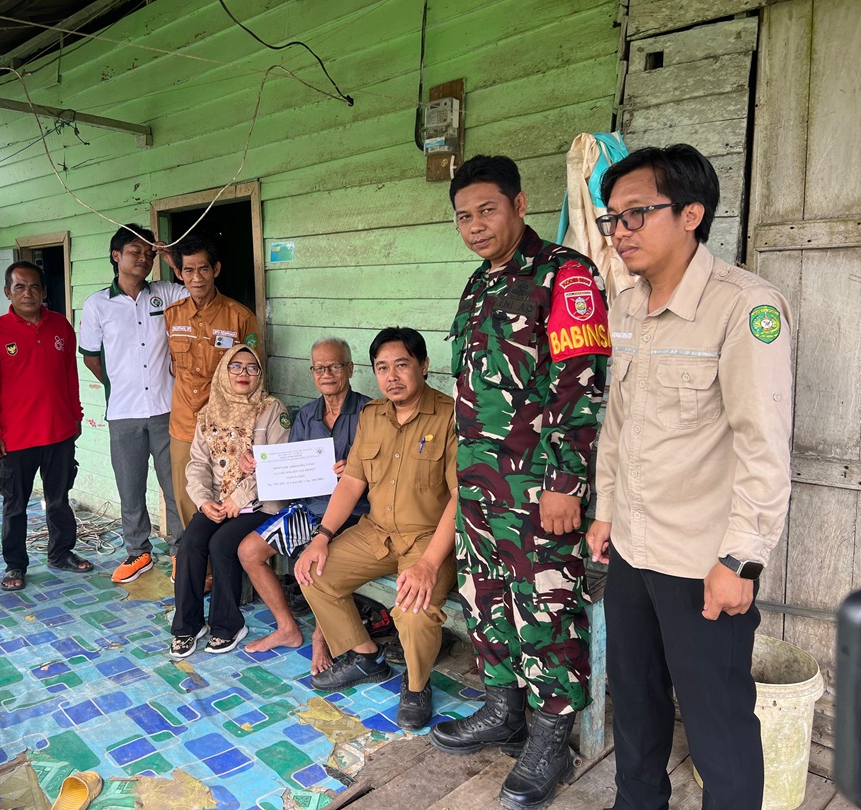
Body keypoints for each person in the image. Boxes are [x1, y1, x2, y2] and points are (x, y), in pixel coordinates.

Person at [586, 144, 793, 810]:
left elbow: (763, 447)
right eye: (611, 218)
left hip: (704, 562)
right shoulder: (626, 307)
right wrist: (605, 512)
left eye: (636, 213)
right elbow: (617, 423)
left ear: (692, 214)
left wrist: (740, 559)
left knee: (717, 725)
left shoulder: (745, 307)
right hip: (632, 551)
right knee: (636, 704)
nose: (619, 231)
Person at [433, 154, 610, 810]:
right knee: (486, 600)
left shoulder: (566, 274)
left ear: (519, 204)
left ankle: (551, 739)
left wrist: (567, 482)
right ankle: (503, 709)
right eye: (463, 217)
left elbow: (580, 385)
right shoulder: (478, 284)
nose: (475, 226)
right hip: (481, 486)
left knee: (545, 607)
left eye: (487, 210)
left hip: (539, 487)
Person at [295, 327, 458, 732]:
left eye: (401, 365)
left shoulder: (450, 415)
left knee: (414, 611)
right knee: (312, 571)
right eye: (382, 368)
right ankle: (366, 656)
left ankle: (417, 686)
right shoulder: (372, 416)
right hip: (375, 531)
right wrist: (322, 537)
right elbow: (352, 482)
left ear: (424, 365)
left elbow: (462, 497)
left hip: (427, 539)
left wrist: (429, 564)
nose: (392, 376)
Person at [237, 337, 371, 662]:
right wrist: (257, 463)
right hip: (310, 508)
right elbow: (290, 466)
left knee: (318, 564)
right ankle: (287, 628)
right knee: (249, 552)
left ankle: (320, 637)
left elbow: (388, 468)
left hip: (353, 513)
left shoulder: (370, 413)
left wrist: (359, 471)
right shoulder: (307, 415)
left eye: (334, 366)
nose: (326, 374)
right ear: (312, 373)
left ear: (350, 368)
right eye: (319, 368)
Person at [78, 225, 188, 585]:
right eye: (135, 251)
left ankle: (181, 553)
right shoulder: (97, 304)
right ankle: (138, 551)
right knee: (130, 486)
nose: (143, 258)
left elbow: (200, 292)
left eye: (149, 253)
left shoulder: (166, 293)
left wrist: (172, 259)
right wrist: (120, 384)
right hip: (123, 413)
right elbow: (91, 357)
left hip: (167, 409)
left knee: (175, 486)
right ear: (116, 256)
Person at [169, 344, 290, 658]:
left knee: (222, 543)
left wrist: (240, 497)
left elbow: (277, 465)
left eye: (252, 367)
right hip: (218, 502)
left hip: (261, 502)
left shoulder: (271, 409)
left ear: (260, 374)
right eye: (235, 366)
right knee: (191, 542)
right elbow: (197, 464)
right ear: (224, 372)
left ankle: (228, 625)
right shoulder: (209, 413)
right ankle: (188, 625)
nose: (243, 373)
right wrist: (203, 501)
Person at [0, 261, 89, 591]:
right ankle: (15, 565)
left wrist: (76, 415)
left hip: (59, 432)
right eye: (20, 287)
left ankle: (61, 553)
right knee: (15, 506)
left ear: (43, 291)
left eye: (34, 287)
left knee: (59, 499)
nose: (28, 293)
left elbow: (69, 375)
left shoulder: (60, 326)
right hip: (15, 438)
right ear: (7, 292)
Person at [164, 235, 259, 544]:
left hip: (227, 427)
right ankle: (193, 561)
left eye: (203, 269)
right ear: (179, 273)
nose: (197, 277)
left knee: (226, 499)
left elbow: (256, 375)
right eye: (188, 270)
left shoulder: (240, 317)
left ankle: (219, 562)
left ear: (216, 269)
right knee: (187, 497)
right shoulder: (172, 315)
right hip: (184, 423)